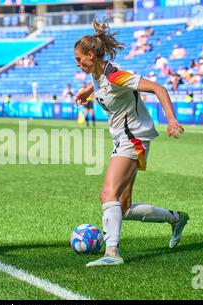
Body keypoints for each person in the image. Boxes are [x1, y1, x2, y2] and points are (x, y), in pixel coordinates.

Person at [74, 20, 189, 267]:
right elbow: (102, 87)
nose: (77, 64)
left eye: (79, 59)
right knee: (123, 208)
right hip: (125, 138)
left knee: (108, 194)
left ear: (91, 55)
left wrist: (170, 120)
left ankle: (112, 253)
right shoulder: (97, 74)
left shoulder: (116, 75)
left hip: (133, 138)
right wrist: (87, 93)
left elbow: (158, 88)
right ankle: (175, 218)